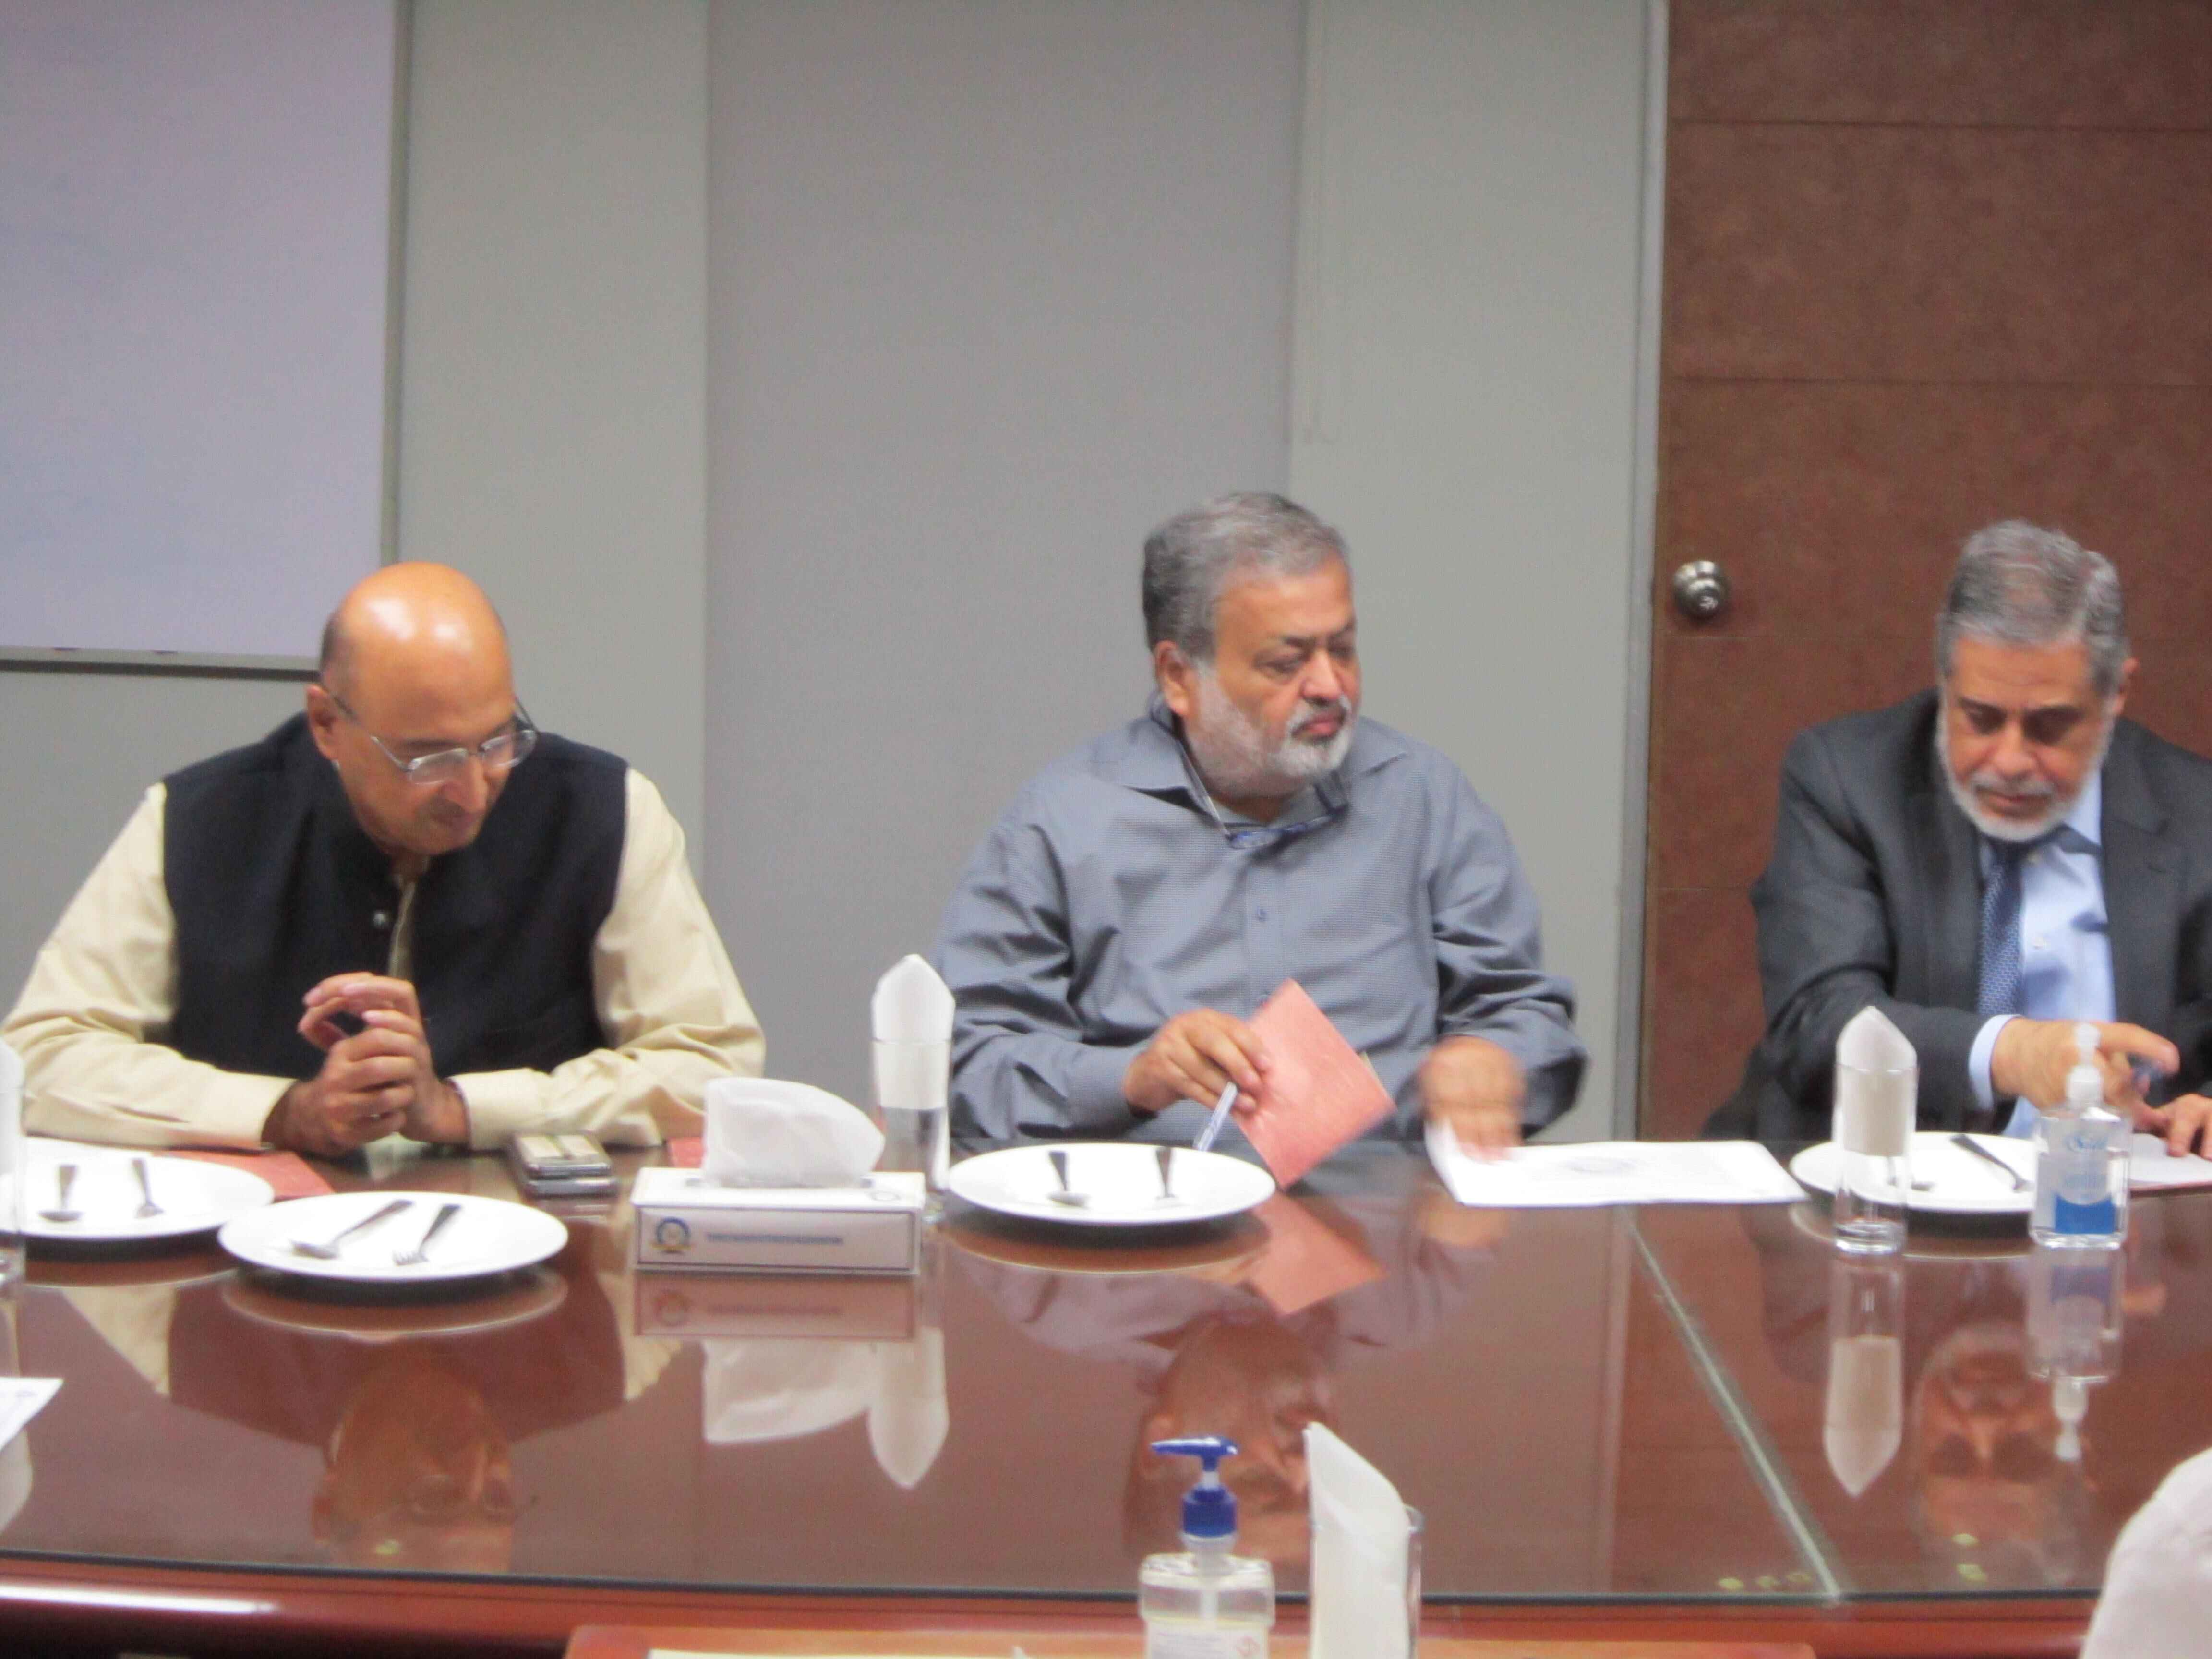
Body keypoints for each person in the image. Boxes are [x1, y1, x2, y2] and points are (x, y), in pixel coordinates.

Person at [2, 563, 762, 1154]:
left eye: (498, 740)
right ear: (327, 724)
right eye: (429, 758)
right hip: (254, 1259)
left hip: (533, 1253)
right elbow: (39, 1055)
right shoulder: (201, 819)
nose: (473, 791)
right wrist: (281, 1112)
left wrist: (466, 1109)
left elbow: (713, 1065)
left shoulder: (603, 810)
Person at [934, 492, 1582, 1159]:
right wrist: (1131, 1078)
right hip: (1153, 1207)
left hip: (1386, 1203)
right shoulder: (1063, 823)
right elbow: (965, 1067)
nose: (1329, 686)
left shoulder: (1424, 798)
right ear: (1179, 677)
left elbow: (1528, 1020)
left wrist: (1495, 1059)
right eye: (1286, 663)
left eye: (1343, 649)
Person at [1722, 520, 2212, 1145]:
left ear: (2117, 692)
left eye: (2049, 727)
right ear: (1944, 681)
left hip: (2116, 1185)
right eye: (1980, 719)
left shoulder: (2197, 813)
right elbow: (1818, 1022)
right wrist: (2013, 1053)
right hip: (1884, 1180)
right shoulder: (1850, 780)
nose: (2009, 760)